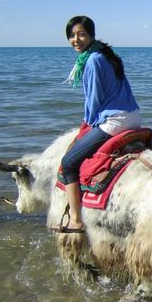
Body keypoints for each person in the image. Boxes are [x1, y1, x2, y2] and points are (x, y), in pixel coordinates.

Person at [57, 16, 141, 233]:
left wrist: (88, 123)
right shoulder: (106, 55)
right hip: (132, 116)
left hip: (115, 121)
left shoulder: (93, 60)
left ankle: (75, 220)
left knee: (68, 163)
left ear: (91, 35)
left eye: (81, 34)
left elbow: (93, 100)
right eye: (72, 35)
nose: (76, 39)